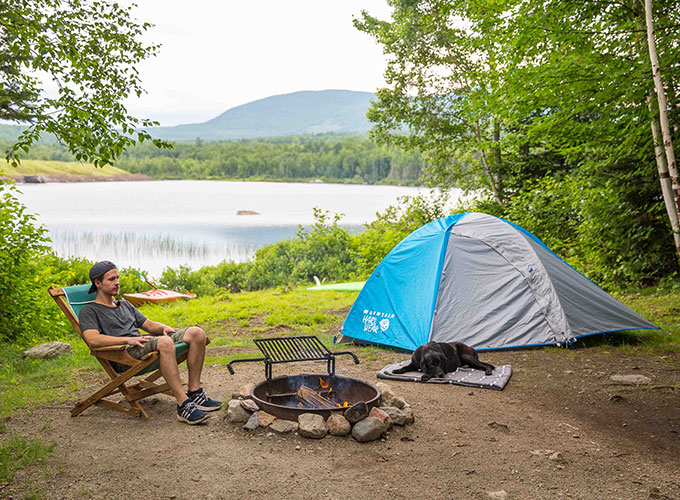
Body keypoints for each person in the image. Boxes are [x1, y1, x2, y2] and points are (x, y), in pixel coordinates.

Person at [78, 261, 222, 424]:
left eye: (117, 278)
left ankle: (195, 392)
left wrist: (163, 328)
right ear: (98, 283)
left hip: (142, 344)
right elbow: (92, 339)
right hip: (124, 354)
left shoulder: (124, 304)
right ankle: (184, 405)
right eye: (111, 279)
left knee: (197, 333)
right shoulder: (89, 311)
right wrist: (127, 339)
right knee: (166, 343)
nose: (117, 282)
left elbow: (148, 325)